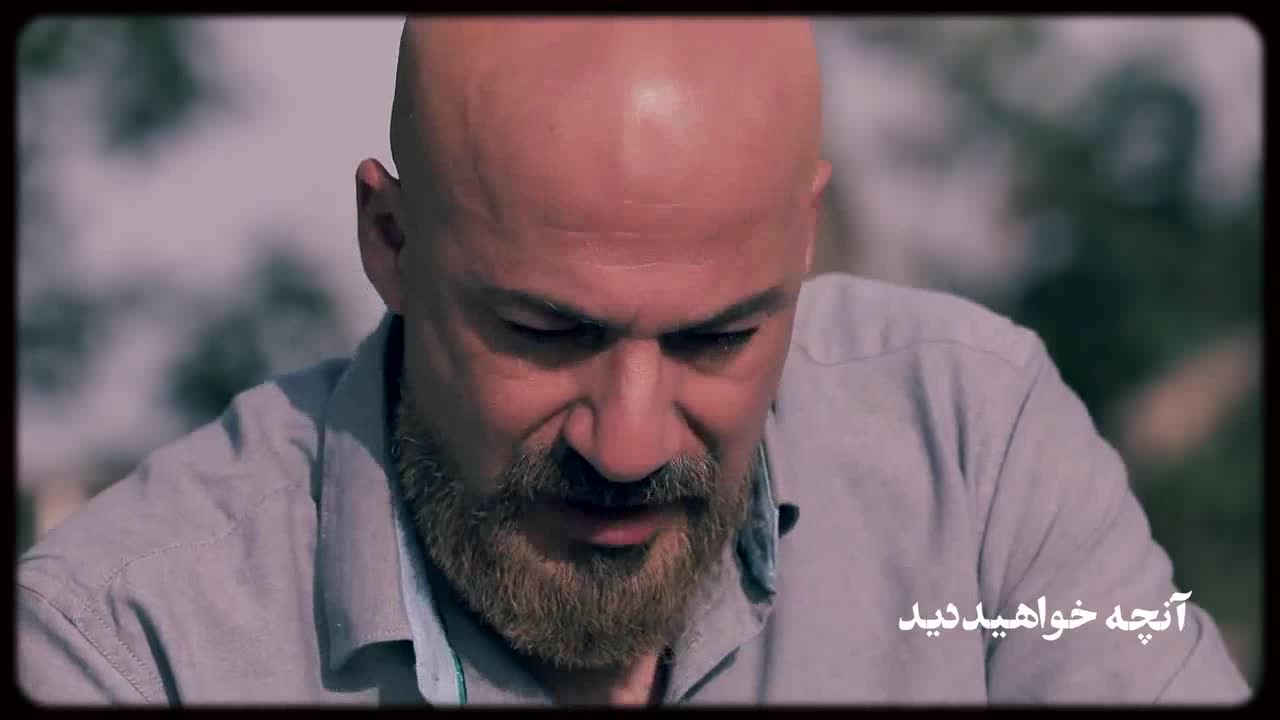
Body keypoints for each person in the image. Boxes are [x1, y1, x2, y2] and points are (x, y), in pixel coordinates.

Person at [17, 18, 1251, 707]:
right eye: (547, 335)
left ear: (802, 242)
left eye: (719, 338)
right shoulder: (124, 653)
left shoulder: (973, 455)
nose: (628, 442)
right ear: (390, 244)